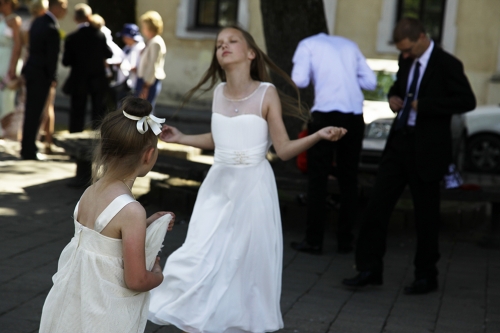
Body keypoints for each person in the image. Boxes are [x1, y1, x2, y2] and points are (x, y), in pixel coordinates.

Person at [148, 26, 347, 332]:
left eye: (232, 41)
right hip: (218, 185)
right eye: (219, 44)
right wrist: (183, 137)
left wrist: (319, 135)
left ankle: (239, 320)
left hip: (254, 185)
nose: (223, 46)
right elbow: (220, 137)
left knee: (245, 259)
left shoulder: (266, 93)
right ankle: (198, 309)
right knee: (199, 250)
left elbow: (282, 150)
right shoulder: (217, 92)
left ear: (251, 53)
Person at [342, 18, 476, 294]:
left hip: (427, 149)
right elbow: (397, 88)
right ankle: (369, 268)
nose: (404, 55)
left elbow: (467, 101)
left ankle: (426, 275)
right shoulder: (407, 62)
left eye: (408, 49)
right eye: (401, 51)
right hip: (398, 145)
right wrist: (393, 98)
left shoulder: (447, 64)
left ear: (422, 38)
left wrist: (426, 105)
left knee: (426, 216)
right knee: (376, 206)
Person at [39, 97, 175, 333]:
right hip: (102, 315)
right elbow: (136, 280)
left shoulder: (90, 193)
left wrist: (147, 223)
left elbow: (104, 236)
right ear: (148, 155)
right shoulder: (132, 211)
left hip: (70, 305)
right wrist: (158, 275)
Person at [290, 32, 377, 255]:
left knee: (317, 177)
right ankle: (345, 241)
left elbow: (299, 80)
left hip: (325, 114)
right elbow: (371, 81)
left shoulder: (307, 44)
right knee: (349, 178)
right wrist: (345, 77)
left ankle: (314, 240)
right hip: (354, 116)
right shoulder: (350, 44)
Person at [20, 0, 67, 160]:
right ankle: (29, 149)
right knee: (36, 111)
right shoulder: (51, 27)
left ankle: (27, 147)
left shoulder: (38, 22)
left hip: (32, 71)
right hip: (41, 74)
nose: (65, 12)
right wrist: (52, 76)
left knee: (30, 111)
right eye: (64, 7)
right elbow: (51, 57)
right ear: (56, 6)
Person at [61, 3, 112, 133]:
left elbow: (66, 62)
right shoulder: (99, 35)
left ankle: (74, 140)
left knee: (77, 112)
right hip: (97, 79)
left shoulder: (72, 38)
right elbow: (108, 53)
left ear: (75, 18)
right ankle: (97, 141)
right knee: (98, 113)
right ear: (89, 17)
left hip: (79, 79)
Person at [135, 10, 166, 111]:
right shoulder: (151, 41)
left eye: (144, 26)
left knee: (144, 110)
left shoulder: (156, 42)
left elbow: (153, 65)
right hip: (144, 80)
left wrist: (146, 86)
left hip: (148, 82)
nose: (143, 29)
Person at [0, 0, 22, 139]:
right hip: (0, 57)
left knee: (7, 95)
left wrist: (12, 67)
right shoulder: (1, 19)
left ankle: (5, 129)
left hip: (8, 60)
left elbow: (17, 44)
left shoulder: (14, 20)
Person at [113, 23, 145, 106]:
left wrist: (124, 66)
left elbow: (139, 68)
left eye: (125, 37)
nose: (123, 39)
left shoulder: (140, 48)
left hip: (134, 84)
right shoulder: (127, 47)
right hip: (123, 83)